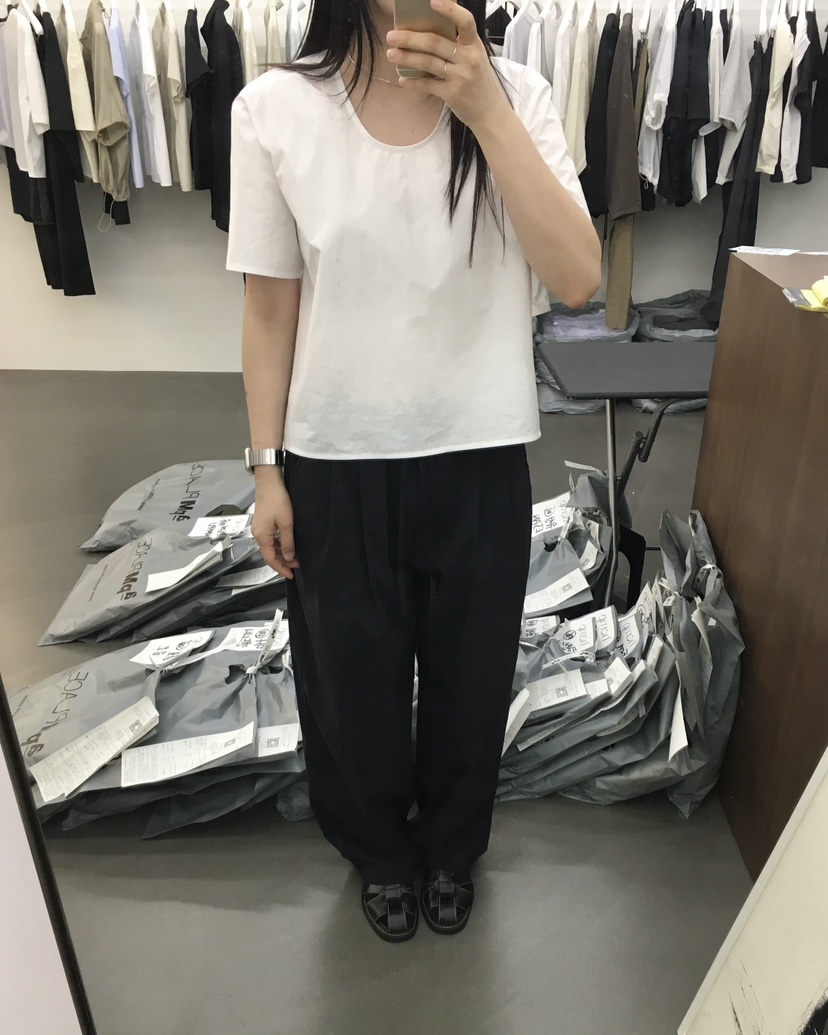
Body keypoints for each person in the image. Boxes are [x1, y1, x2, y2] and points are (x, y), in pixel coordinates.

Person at [226, 0, 600, 943]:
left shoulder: (520, 97)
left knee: (473, 680)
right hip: (334, 457)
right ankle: (379, 852)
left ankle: (451, 845)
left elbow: (578, 278)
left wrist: (486, 110)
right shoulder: (275, 108)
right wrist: (267, 470)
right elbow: (269, 308)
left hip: (479, 449)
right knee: (350, 683)